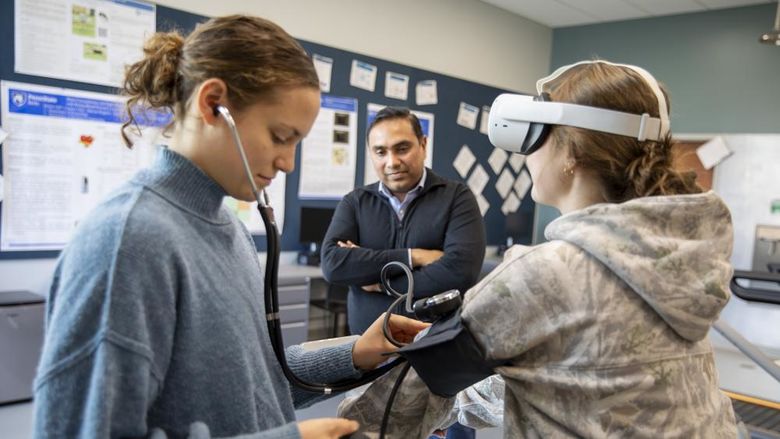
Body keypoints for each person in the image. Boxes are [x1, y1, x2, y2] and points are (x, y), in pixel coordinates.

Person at [32, 15, 428, 439]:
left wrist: (358, 351)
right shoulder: (127, 241)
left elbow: (251, 378)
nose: (287, 163)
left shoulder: (229, 228)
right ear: (212, 103)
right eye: (280, 136)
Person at [338, 60, 740, 438]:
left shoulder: (545, 274)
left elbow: (391, 409)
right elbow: (590, 378)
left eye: (537, 135)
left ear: (572, 152)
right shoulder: (682, 258)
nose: (528, 155)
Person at [320, 106, 486, 439]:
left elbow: (459, 272)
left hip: (441, 353)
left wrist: (376, 280)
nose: (391, 162)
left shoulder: (456, 198)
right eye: (380, 152)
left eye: (402, 148)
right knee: (375, 431)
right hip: (373, 352)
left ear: (423, 143)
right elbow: (333, 264)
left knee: (450, 433)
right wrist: (413, 257)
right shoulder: (356, 201)